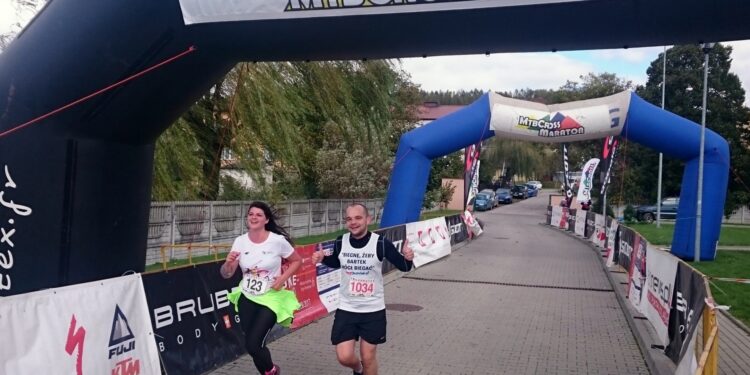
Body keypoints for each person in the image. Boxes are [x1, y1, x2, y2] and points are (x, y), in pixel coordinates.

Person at [311, 203, 414, 375]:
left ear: (368, 219)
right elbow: (336, 262)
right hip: (347, 308)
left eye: (358, 218)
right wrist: (323, 258)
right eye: (349, 219)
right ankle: (358, 369)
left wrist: (408, 257)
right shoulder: (340, 241)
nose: (353, 222)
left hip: (373, 310)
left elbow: (404, 266)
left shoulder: (380, 243)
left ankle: (364, 367)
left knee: (368, 357)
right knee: (344, 357)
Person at [221, 201, 302, 375]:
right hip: (247, 297)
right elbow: (227, 274)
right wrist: (228, 263)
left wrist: (282, 278)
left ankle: (272, 371)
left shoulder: (277, 241)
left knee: (253, 344)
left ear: (266, 220)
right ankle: (268, 371)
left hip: (270, 298)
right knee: (254, 346)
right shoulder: (240, 241)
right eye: (251, 214)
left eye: (258, 215)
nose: (254, 217)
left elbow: (297, 261)